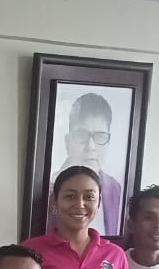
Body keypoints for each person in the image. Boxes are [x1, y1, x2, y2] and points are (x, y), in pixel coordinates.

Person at [45, 93, 125, 237]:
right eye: (82, 135)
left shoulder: (115, 189)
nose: (91, 147)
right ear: (68, 142)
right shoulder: (48, 187)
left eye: (100, 136)